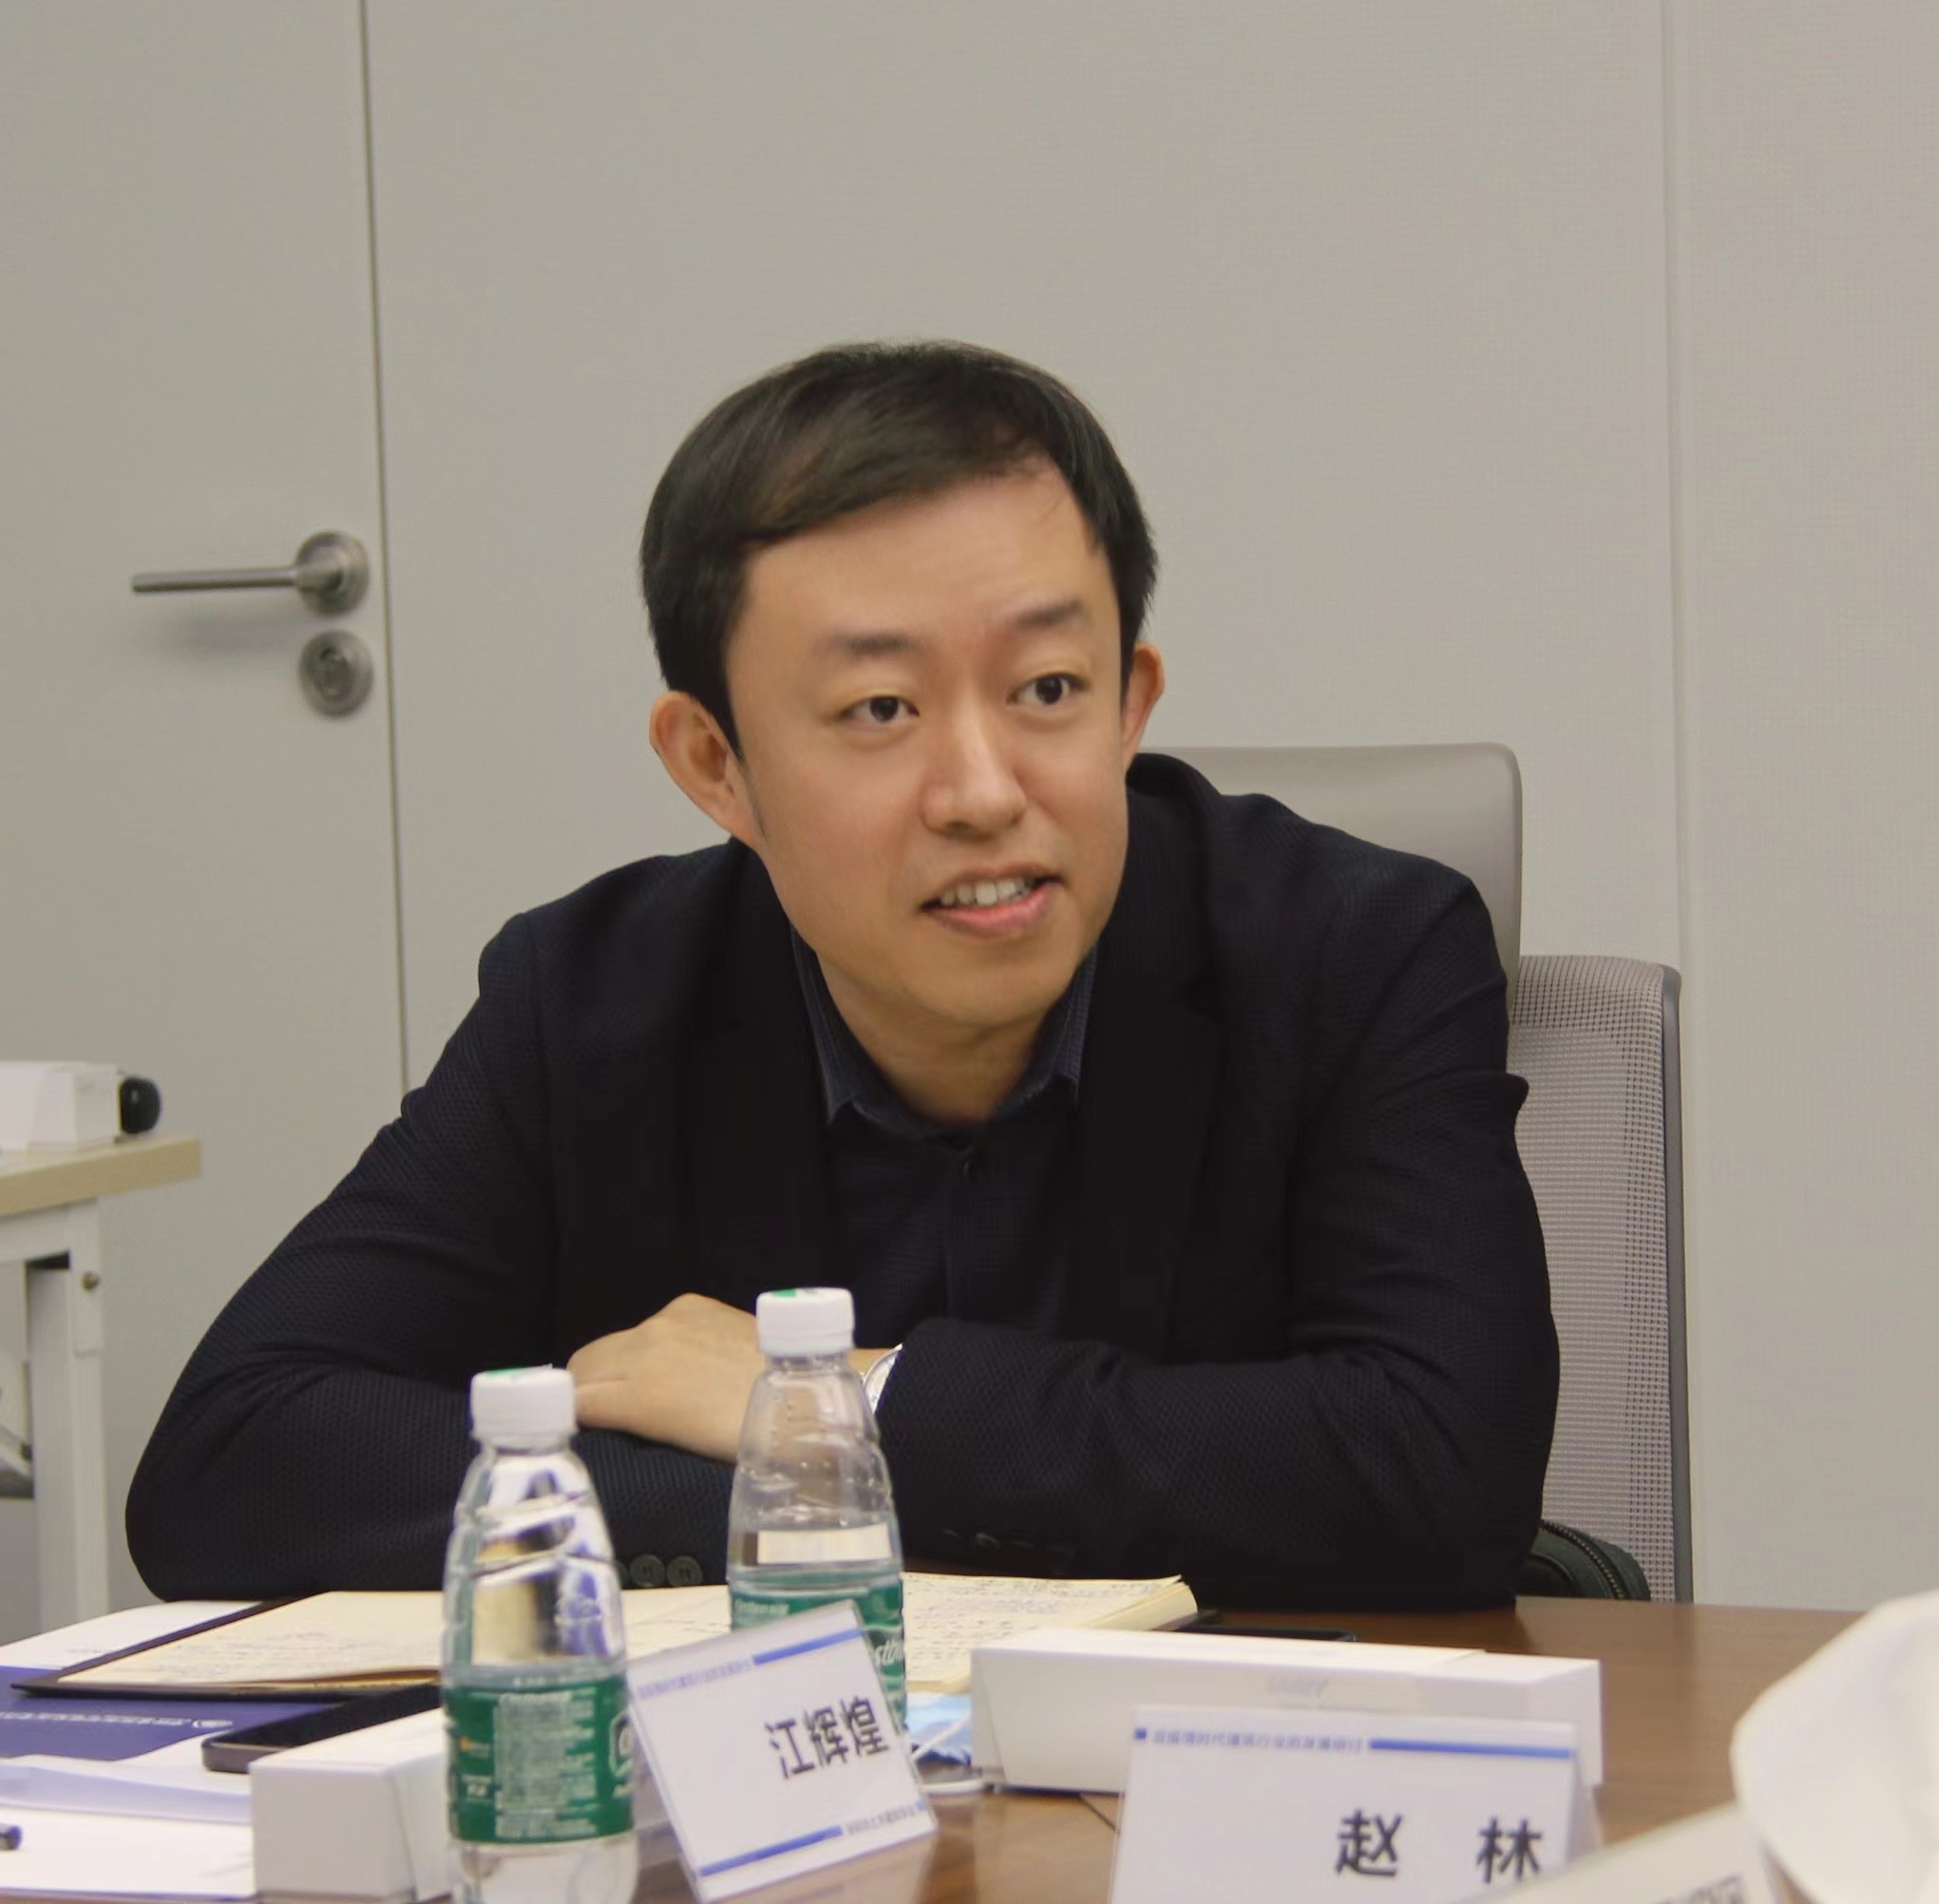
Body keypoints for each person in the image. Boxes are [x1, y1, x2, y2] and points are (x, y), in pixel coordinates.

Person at [127, 341, 1556, 1609]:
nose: (982, 791)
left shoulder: (1356, 950)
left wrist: (837, 1411)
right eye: (879, 708)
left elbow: (1442, 1472)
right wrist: (814, 1500)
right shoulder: (590, 1001)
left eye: (1048, 690)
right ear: (715, 765)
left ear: (1132, 704)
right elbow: (236, 1458)